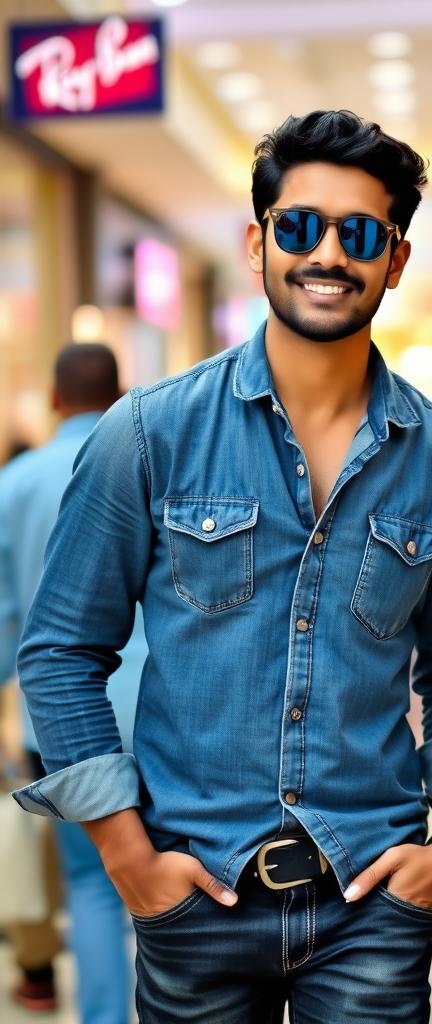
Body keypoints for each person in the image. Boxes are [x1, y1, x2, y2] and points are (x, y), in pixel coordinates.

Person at [12, 110, 432, 1023]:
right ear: (258, 241)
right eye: (301, 226)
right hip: (194, 895)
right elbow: (62, 650)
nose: (329, 254)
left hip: (371, 905)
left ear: (396, 258)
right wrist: (128, 860)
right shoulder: (148, 434)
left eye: (361, 234)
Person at [0, 343, 142, 1021]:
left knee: (91, 884)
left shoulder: (15, 483)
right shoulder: (148, 462)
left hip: (57, 721)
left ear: (55, 400)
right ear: (121, 395)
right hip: (161, 711)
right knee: (184, 878)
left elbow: (5, 622)